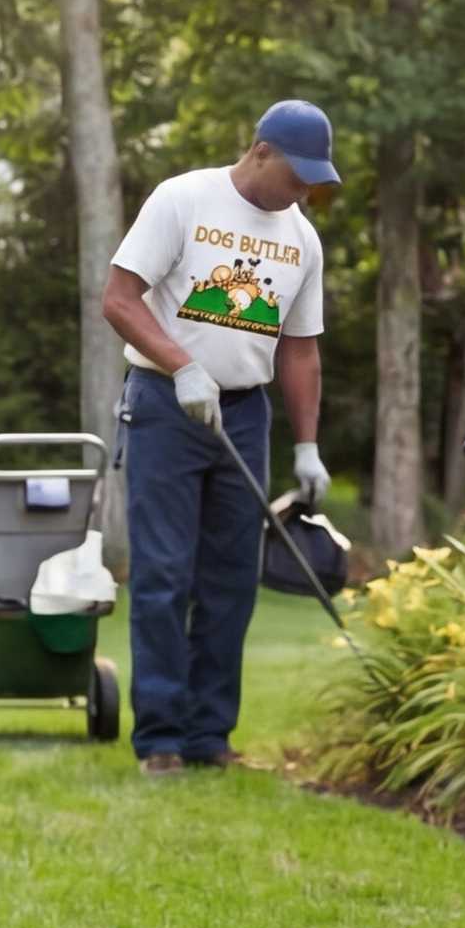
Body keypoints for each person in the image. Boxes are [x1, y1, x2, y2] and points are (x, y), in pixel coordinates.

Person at [101, 100, 335, 776]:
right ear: (261, 151)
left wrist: (307, 446)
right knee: (164, 574)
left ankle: (209, 737)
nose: (303, 191)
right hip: (165, 407)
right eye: (297, 174)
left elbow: (300, 351)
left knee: (232, 579)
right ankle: (161, 740)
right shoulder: (183, 200)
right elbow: (119, 298)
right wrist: (182, 366)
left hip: (243, 412)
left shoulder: (302, 238)